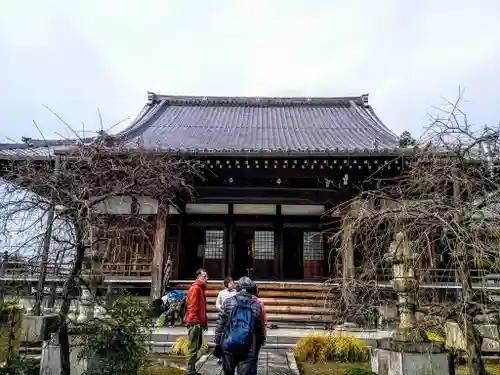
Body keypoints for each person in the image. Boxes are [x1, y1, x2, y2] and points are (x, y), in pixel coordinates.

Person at [214, 277, 266, 375]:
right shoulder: (256, 305)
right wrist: (259, 345)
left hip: (228, 345)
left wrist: (218, 343)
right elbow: (259, 329)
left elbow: (220, 325)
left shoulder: (228, 302)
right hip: (248, 347)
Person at [184, 269, 208, 375]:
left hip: (198, 322)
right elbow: (192, 306)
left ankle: (192, 369)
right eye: (204, 277)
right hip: (194, 322)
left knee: (196, 346)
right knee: (193, 347)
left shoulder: (200, 289)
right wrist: (195, 322)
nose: (206, 279)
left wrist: (204, 322)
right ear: (198, 277)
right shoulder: (195, 288)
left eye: (206, 277)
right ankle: (189, 371)